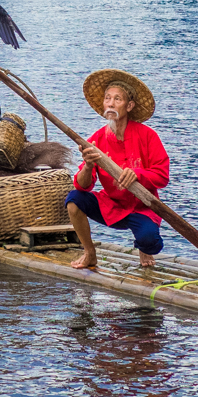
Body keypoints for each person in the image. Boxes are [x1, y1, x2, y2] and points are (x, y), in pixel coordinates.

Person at [64, 68, 169, 271]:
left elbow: (162, 176)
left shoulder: (147, 136)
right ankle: (89, 253)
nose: (110, 103)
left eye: (117, 99)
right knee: (74, 199)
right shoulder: (96, 140)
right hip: (110, 205)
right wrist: (88, 165)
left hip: (142, 208)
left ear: (129, 106)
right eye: (107, 98)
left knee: (151, 242)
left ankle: (142, 246)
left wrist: (137, 174)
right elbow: (83, 185)